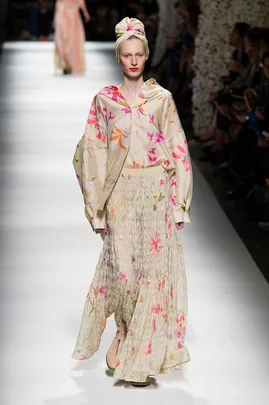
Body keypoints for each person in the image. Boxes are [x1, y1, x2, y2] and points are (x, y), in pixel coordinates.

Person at [72, 17, 193, 387]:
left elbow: (178, 150)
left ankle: (140, 350)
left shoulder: (162, 100)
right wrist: (95, 207)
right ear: (119, 57)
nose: (134, 61)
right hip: (121, 194)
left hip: (155, 191)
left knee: (152, 273)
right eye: (127, 55)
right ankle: (123, 331)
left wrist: (180, 203)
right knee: (124, 271)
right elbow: (91, 152)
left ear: (146, 55)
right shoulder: (104, 102)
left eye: (139, 54)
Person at [53, 0, 90, 75]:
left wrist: (85, 12)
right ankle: (65, 64)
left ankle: (69, 64)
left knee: (73, 40)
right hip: (63, 11)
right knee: (63, 38)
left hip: (72, 14)